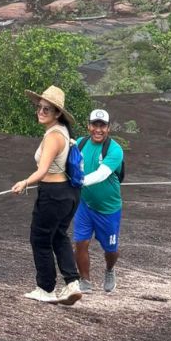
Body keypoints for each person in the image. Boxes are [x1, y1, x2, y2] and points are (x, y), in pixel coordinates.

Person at [11, 85, 82, 306]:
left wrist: (24, 182)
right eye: (40, 108)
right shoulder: (64, 131)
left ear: (57, 113)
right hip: (68, 194)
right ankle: (72, 283)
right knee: (59, 235)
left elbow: (42, 171)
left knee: (40, 239)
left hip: (53, 194)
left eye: (47, 110)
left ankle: (46, 288)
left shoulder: (53, 136)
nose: (41, 112)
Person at [73, 108, 124, 294]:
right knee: (81, 243)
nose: (98, 129)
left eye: (103, 126)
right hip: (85, 204)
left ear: (108, 128)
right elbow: (69, 164)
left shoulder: (115, 150)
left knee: (111, 250)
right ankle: (84, 280)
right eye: (95, 125)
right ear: (89, 126)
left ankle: (110, 270)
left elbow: (102, 174)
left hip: (109, 208)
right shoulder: (80, 143)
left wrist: (79, 182)